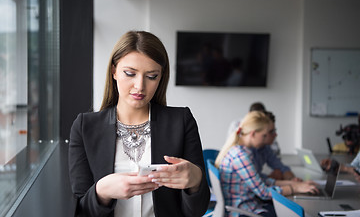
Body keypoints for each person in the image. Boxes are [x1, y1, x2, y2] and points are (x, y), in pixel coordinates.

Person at [68, 31, 210, 217]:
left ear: (161, 78)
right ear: (114, 71)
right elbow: (80, 210)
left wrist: (196, 180)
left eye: (151, 76)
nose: (140, 86)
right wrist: (101, 191)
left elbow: (196, 211)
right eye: (130, 73)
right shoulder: (85, 127)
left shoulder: (181, 121)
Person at [215, 111, 318, 216]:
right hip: (244, 211)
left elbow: (260, 180)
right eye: (264, 135)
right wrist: (294, 188)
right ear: (253, 134)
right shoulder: (241, 156)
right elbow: (263, 193)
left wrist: (294, 184)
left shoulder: (241, 151)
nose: (265, 140)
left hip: (248, 206)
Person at [227, 102, 299, 181]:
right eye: (271, 131)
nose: (275, 135)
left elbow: (280, 167)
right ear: (255, 132)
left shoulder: (264, 148)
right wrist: (292, 186)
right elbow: (260, 186)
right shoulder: (243, 155)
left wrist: (292, 180)